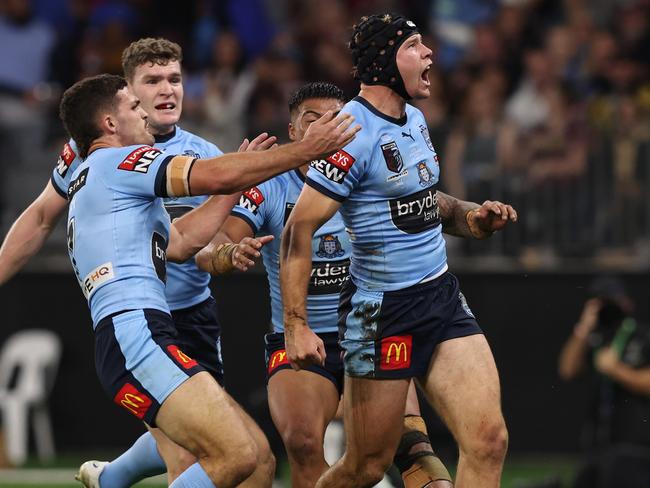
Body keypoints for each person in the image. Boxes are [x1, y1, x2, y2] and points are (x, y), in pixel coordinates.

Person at [58, 72, 358, 488]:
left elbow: (180, 242)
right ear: (109, 124)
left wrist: (237, 188)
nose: (143, 113)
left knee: (254, 459)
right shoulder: (116, 162)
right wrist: (306, 149)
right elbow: (213, 174)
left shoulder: (103, 179)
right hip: (136, 332)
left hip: (138, 332)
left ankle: (109, 481)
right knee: (234, 455)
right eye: (132, 106)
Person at [0, 38, 276, 488]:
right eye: (152, 81)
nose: (167, 90)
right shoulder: (88, 151)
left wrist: (229, 254)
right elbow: (39, 217)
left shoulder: (207, 157)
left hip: (191, 317)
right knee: (198, 459)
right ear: (124, 95)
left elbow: (199, 246)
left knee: (253, 462)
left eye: (175, 79)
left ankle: (112, 478)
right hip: (137, 322)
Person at [279, 14, 517, 488]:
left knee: (490, 440)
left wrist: (472, 218)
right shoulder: (350, 131)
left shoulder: (415, 118)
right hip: (382, 313)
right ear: (386, 61)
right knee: (365, 467)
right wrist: (296, 326)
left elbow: (427, 201)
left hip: (441, 298)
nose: (429, 54)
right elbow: (296, 231)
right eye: (414, 45)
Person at [196, 81, 453, 488]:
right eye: (313, 121)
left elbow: (428, 205)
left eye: (337, 118)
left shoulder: (370, 173)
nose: (326, 127)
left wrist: (471, 217)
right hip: (299, 341)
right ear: (294, 132)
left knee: (410, 447)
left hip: (372, 331)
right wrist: (228, 253)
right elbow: (218, 240)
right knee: (301, 441)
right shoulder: (271, 185)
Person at [558, 276, 650, 488]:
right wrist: (584, 327)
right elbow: (567, 369)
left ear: (626, 301)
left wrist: (616, 370)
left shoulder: (642, 335)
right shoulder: (595, 338)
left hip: (635, 447)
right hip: (597, 445)